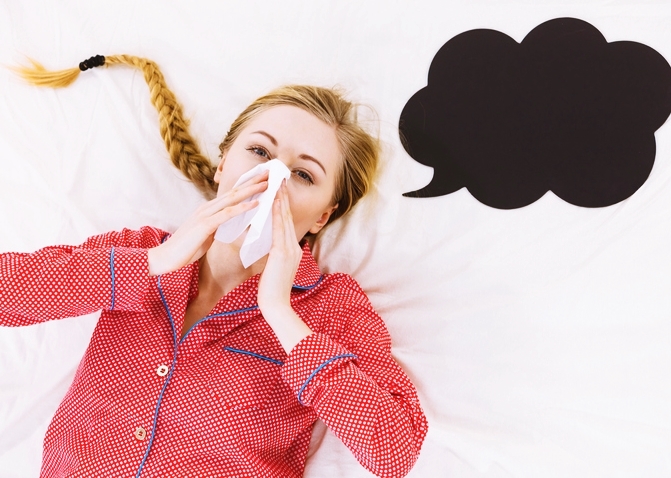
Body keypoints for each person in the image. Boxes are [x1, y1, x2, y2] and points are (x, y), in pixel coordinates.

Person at [1, 55, 428, 478]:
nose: (272, 179)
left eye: (303, 175)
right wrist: (154, 263)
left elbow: (394, 452)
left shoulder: (332, 310)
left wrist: (280, 314)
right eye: (259, 151)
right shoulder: (139, 250)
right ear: (224, 165)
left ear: (322, 216)